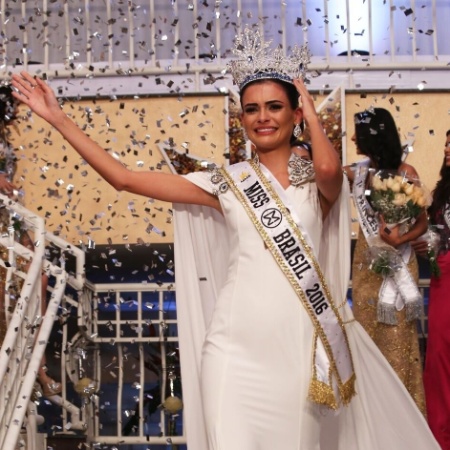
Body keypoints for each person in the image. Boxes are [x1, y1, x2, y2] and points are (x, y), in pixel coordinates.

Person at [11, 28, 439, 449]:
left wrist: (311, 110)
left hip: (295, 347)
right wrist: (57, 117)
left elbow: (329, 170)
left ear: (295, 114)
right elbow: (123, 179)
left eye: (275, 106)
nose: (263, 117)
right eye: (252, 109)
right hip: (233, 346)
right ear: (242, 118)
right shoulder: (226, 184)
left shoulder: (320, 184)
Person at [345, 107, 428, 415]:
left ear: (373, 136)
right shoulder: (356, 172)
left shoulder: (407, 172)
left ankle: (402, 418)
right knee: (367, 336)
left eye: (359, 132)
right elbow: (324, 172)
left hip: (399, 261)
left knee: (398, 339)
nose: (354, 137)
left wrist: (401, 239)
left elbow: (421, 222)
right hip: (366, 266)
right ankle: (371, 419)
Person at [0, 84, 61, 397]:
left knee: (39, 275)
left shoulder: (5, 141)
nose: (13, 113)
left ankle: (35, 365)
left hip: (5, 221)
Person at [412, 130, 450, 449]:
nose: (449, 149)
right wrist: (424, 244)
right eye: (448, 143)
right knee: (439, 355)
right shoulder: (440, 193)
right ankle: (439, 436)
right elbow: (435, 236)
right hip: (444, 278)